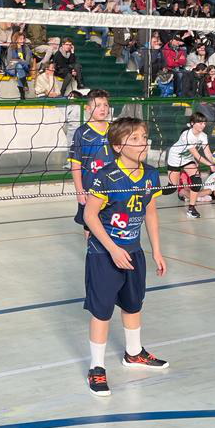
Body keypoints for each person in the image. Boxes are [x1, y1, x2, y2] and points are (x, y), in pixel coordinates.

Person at [82, 117, 167, 397]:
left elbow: (150, 213)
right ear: (118, 146)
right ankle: (96, 368)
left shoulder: (151, 174)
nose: (143, 143)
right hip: (104, 252)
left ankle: (133, 353)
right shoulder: (106, 176)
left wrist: (156, 250)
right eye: (135, 139)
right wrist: (112, 249)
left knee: (133, 304)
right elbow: (89, 215)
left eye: (144, 137)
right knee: (102, 311)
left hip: (133, 250)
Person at [69, 90, 111, 234]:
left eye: (105, 105)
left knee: (111, 223)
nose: (103, 108)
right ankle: (91, 248)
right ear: (87, 108)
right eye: (98, 105)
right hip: (90, 187)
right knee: (89, 223)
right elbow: (75, 164)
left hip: (112, 187)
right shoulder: (81, 132)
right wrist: (79, 191)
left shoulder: (115, 130)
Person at [165, 112, 215, 220]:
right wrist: (210, 164)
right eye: (200, 123)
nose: (203, 125)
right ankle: (150, 192)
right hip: (175, 157)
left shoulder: (203, 136)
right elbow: (197, 156)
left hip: (187, 159)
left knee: (197, 180)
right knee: (171, 188)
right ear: (192, 123)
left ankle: (191, 208)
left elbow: (208, 153)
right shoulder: (187, 135)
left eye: (204, 123)